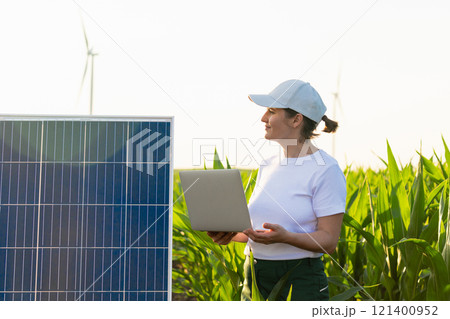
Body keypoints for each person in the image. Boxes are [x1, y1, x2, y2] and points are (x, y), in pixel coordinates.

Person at [207, 79, 347, 301]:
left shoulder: (326, 169)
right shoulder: (267, 164)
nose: (263, 118)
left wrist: (286, 238)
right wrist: (232, 234)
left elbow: (329, 241)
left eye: (272, 111)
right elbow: (260, 232)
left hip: (299, 279)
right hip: (254, 275)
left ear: (296, 119)